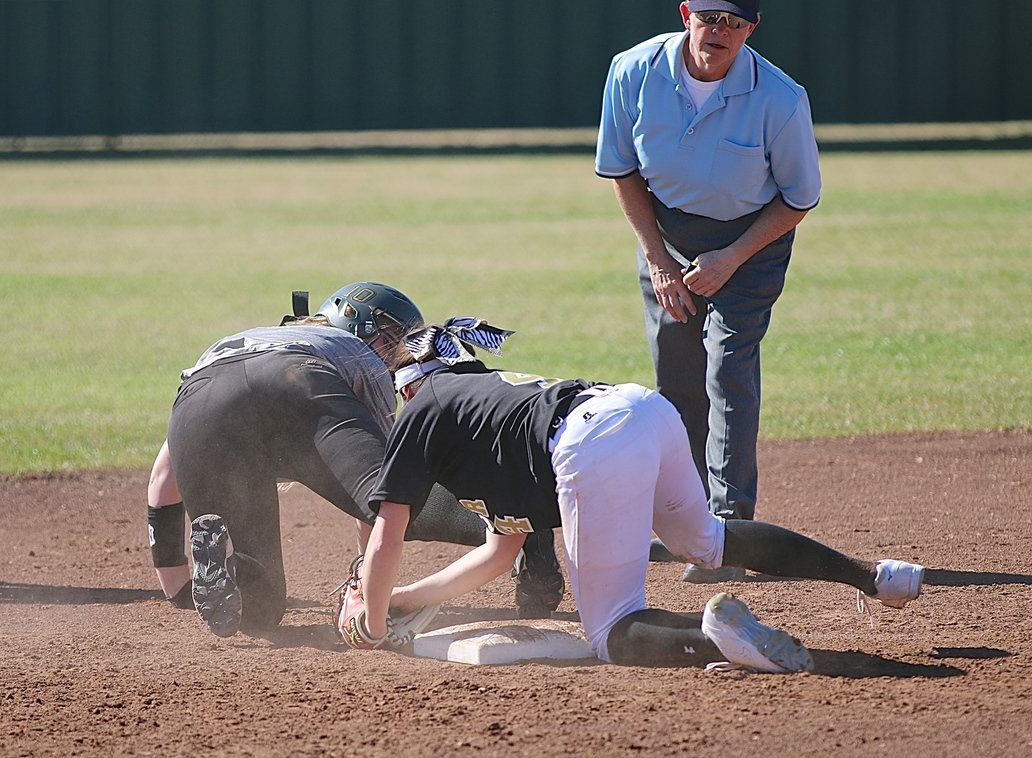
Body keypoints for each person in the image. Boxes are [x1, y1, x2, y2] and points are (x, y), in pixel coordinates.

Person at [345, 319, 923, 671]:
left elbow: (385, 534)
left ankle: (717, 640)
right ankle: (875, 575)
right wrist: (403, 598)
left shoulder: (427, 407)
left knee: (609, 633)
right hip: (640, 409)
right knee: (706, 539)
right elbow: (500, 553)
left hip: (588, 441)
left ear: (410, 384)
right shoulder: (486, 407)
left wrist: (370, 623)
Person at [145, 283, 564, 637]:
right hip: (298, 379)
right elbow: (388, 493)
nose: (398, 352)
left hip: (196, 401)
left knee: (260, 612)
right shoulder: (356, 356)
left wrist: (175, 586)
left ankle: (224, 567)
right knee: (401, 504)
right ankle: (522, 525)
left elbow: (164, 480)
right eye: (390, 338)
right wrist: (368, 583)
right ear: (364, 329)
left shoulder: (245, 340)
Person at [594, 1, 822, 583]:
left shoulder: (780, 98)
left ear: (751, 30)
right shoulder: (632, 70)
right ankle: (682, 524)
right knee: (674, 380)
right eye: (710, 17)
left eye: (735, 23)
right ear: (686, 13)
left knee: (727, 369)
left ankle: (728, 527)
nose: (719, 32)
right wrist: (658, 259)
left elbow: (798, 198)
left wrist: (731, 258)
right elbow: (621, 168)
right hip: (666, 237)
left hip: (751, 241)